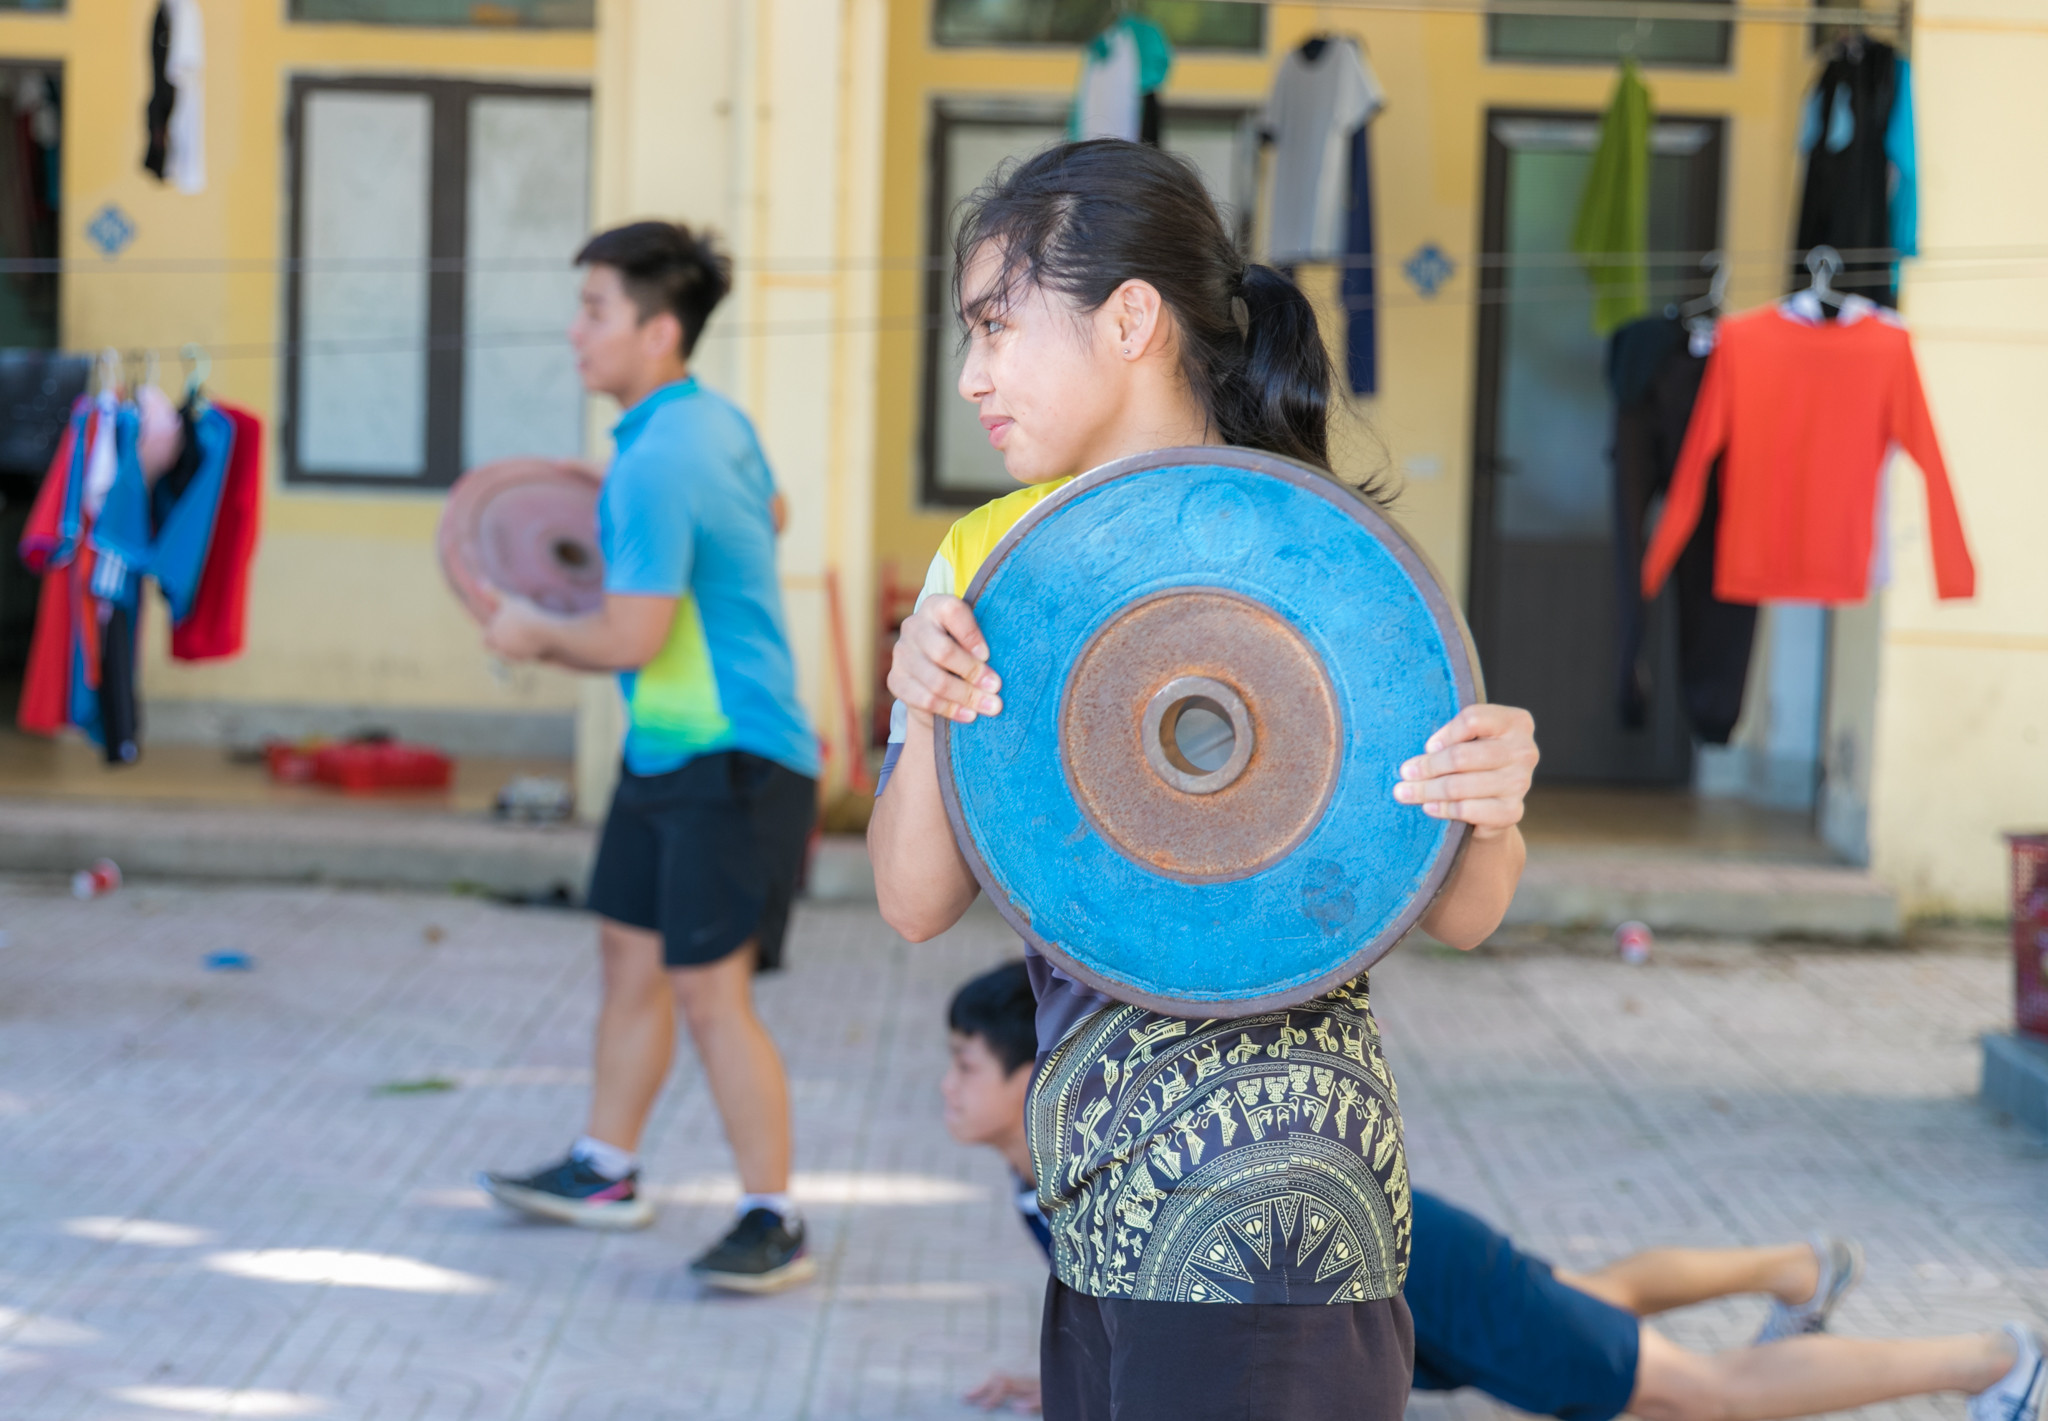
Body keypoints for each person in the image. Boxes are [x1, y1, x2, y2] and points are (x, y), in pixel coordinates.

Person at [869, 138, 1540, 1421]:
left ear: (1128, 318)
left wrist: (1490, 793)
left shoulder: (1322, 549)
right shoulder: (988, 558)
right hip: (1098, 1199)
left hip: (1281, 1202)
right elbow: (910, 899)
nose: (972, 376)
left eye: (998, 326)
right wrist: (919, 690)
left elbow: (1460, 907)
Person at [940, 962, 2048, 1421]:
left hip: (1415, 1280)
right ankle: (1792, 1266)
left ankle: (1990, 1360)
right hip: (1410, 1286)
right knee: (1577, 1290)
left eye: (964, 1063)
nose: (944, 1086)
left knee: (1697, 1393)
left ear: (1041, 1070)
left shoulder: (1084, 1162)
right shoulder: (1045, 1183)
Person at [476, 220, 821, 1294]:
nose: (574, 331)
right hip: (666, 751)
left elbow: (627, 638)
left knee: (710, 992)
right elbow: (771, 509)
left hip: (733, 755)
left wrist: (531, 631)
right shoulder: (702, 425)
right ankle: (605, 1167)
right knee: (628, 957)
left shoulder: (656, 459)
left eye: (594, 310)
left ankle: (774, 1215)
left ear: (657, 331)